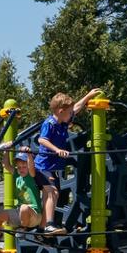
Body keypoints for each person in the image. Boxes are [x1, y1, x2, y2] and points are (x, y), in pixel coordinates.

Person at [32, 88, 102, 234]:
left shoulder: (63, 122)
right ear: (60, 111)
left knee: (49, 195)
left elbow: (75, 108)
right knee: (53, 193)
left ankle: (42, 229)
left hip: (53, 167)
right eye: (68, 112)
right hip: (43, 166)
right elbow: (42, 139)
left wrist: (88, 96)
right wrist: (57, 150)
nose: (71, 115)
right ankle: (50, 224)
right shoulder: (49, 123)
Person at [0, 142, 43, 229]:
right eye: (19, 167)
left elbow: (31, 167)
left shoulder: (31, 176)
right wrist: (6, 150)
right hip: (19, 213)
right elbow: (6, 165)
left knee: (24, 208)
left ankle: (24, 229)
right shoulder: (17, 176)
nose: (21, 169)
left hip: (34, 215)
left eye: (24, 167)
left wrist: (29, 154)